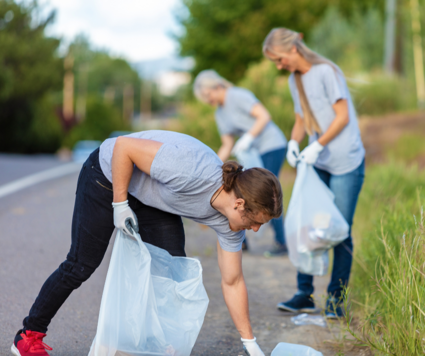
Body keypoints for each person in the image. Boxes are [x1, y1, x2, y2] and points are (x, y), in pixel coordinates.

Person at [12, 130, 282, 356]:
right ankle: (28, 335)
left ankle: (152, 342)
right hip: (108, 174)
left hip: (153, 197)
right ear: (239, 203)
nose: (256, 230)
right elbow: (123, 147)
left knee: (171, 268)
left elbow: (233, 281)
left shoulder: (232, 225)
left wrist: (250, 343)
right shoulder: (191, 170)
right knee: (80, 264)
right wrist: (120, 204)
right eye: (257, 221)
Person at [262, 28, 365, 318]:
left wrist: (317, 144)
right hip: (318, 163)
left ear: (293, 49)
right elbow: (301, 118)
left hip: (346, 161)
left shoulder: (326, 72)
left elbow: (342, 117)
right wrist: (295, 142)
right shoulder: (296, 80)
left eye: (279, 59)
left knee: (339, 230)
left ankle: (335, 300)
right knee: (308, 225)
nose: (279, 66)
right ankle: (304, 294)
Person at [194, 70, 288, 256]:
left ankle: (281, 242)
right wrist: (214, 166)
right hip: (251, 152)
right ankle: (241, 241)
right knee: (239, 191)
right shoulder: (220, 114)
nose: (207, 99)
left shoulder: (237, 96)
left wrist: (248, 138)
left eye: (207, 94)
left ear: (217, 86)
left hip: (271, 145)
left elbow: (264, 116)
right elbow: (227, 143)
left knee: (266, 193)